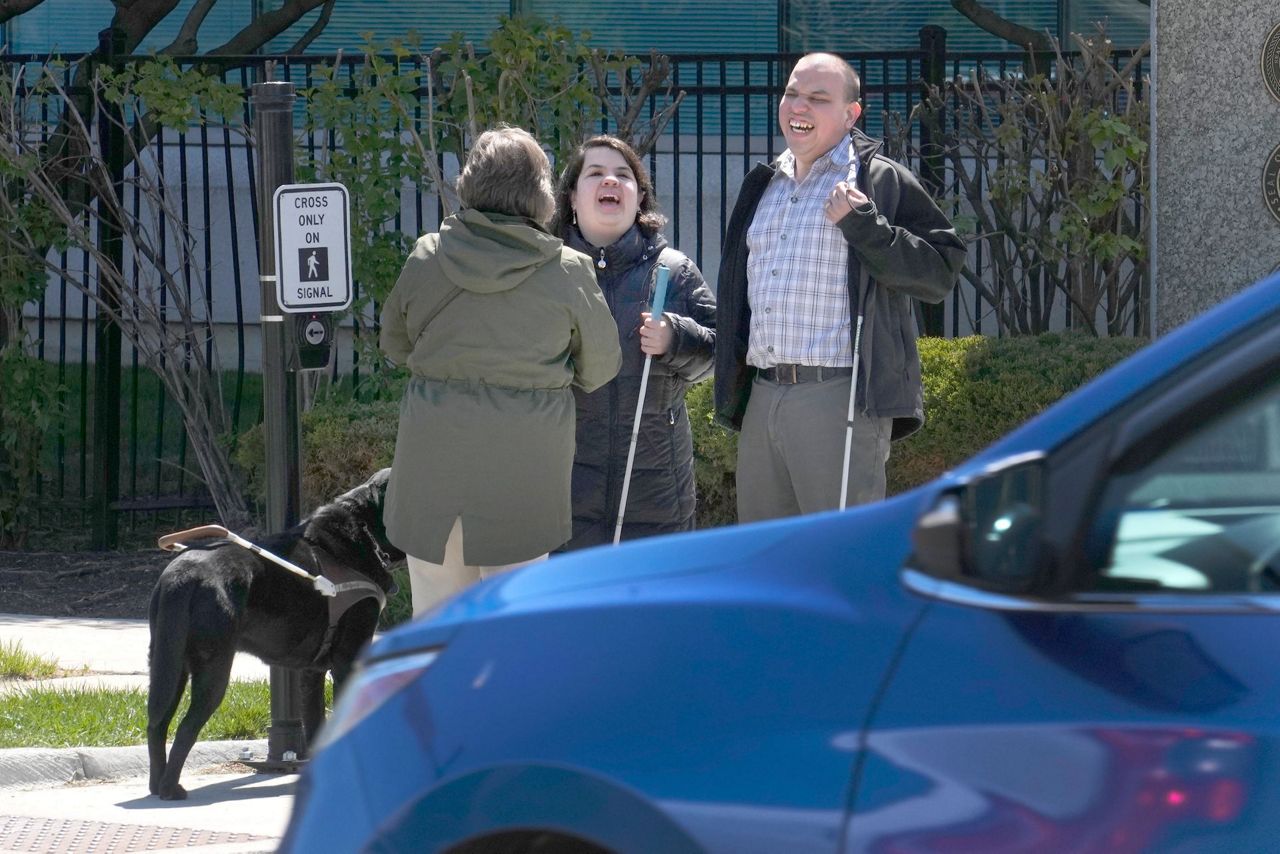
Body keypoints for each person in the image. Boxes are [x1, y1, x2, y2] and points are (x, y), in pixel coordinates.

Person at [714, 52, 966, 523]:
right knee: (767, 563)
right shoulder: (763, 184)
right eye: (792, 93)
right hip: (762, 395)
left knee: (840, 562)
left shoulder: (877, 180)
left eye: (817, 98)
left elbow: (940, 271)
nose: (798, 107)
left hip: (838, 398)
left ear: (851, 114)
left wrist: (866, 227)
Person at [380, 126, 621, 615]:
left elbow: (394, 344)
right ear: (540, 193)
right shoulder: (568, 270)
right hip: (524, 476)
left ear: (469, 182)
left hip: (432, 469)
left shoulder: (427, 256)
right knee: (511, 634)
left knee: (436, 630)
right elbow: (601, 367)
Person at [549, 135, 716, 549]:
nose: (611, 181)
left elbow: (720, 351)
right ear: (571, 196)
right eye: (596, 173)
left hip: (656, 490)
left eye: (623, 175)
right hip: (563, 484)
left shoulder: (673, 272)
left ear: (640, 196)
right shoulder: (546, 273)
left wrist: (676, 338)